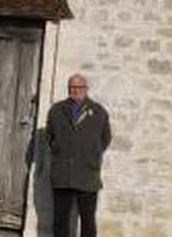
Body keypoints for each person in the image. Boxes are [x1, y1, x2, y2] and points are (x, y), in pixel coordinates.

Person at [46, 73, 112, 237]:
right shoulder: (57, 110)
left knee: (88, 221)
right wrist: (60, 150)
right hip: (63, 173)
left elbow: (105, 138)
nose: (75, 90)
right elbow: (49, 136)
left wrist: (91, 154)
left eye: (79, 87)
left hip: (87, 173)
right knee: (60, 220)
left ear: (86, 89)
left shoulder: (98, 111)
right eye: (72, 87)